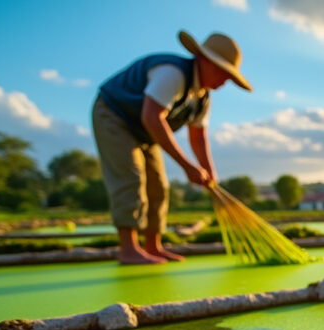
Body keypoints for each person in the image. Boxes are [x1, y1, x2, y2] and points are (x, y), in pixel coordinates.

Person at [93, 31, 252, 264]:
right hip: (114, 115)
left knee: (159, 185)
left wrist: (209, 174)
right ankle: (128, 249)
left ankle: (153, 246)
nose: (224, 81)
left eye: (229, 76)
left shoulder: (202, 97)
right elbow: (151, 116)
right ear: (203, 60)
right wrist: (188, 166)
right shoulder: (173, 74)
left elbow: (198, 137)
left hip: (144, 130)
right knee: (131, 176)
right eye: (222, 72)